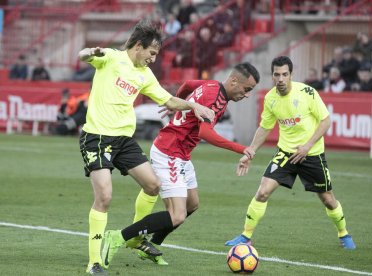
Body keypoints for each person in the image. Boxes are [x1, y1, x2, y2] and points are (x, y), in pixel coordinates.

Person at [78, 20, 215, 275]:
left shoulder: (144, 74)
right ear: (138, 46)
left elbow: (169, 100)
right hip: (97, 137)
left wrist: (193, 106)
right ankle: (94, 261)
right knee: (105, 197)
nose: (153, 59)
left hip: (124, 140)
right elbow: (82, 56)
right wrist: (91, 52)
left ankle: (132, 236)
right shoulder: (110, 58)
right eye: (152, 53)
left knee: (153, 185)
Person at [101, 62, 260, 267]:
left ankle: (151, 244)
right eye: (247, 89)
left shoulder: (212, 85)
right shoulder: (215, 99)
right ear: (234, 81)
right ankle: (118, 237)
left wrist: (175, 104)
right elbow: (205, 133)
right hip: (170, 152)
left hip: (181, 154)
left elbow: (187, 84)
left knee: (192, 204)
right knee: (177, 215)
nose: (246, 95)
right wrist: (241, 149)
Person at [225, 56, 356, 251]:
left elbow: (325, 121)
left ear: (291, 75)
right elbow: (264, 127)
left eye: (284, 74)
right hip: (286, 153)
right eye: (276, 74)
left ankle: (343, 234)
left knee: (328, 199)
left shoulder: (307, 93)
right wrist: (250, 151)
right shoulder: (270, 98)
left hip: (312, 154)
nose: (280, 79)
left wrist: (307, 146)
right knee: (262, 192)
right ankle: (246, 236)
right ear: (273, 76)